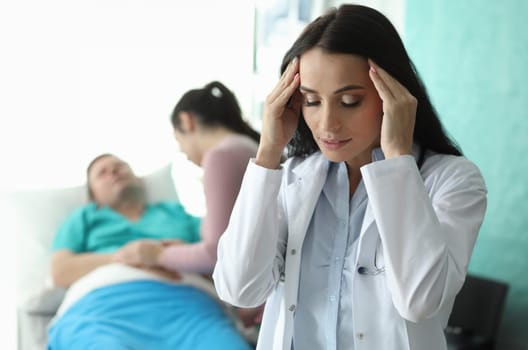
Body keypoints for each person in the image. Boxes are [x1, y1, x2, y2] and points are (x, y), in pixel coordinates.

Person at [212, 4, 487, 350]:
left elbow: (420, 301)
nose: (327, 124)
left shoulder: (453, 181)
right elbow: (239, 288)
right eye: (311, 101)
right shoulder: (292, 176)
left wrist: (397, 161)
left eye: (350, 101)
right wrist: (268, 154)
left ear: (394, 96)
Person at [48, 153, 252, 350]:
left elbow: (222, 256)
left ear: (139, 181)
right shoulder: (84, 217)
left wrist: (180, 255)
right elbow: (61, 271)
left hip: (189, 309)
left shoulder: (174, 212)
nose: (114, 173)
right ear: (93, 196)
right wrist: (130, 256)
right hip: (99, 310)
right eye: (103, 173)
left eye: (120, 167)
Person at [113, 81, 264, 327]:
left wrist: (158, 255)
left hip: (262, 308)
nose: (182, 152)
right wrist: (184, 251)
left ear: (187, 121)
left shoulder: (221, 156)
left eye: (178, 139)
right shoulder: (246, 147)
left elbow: (216, 254)